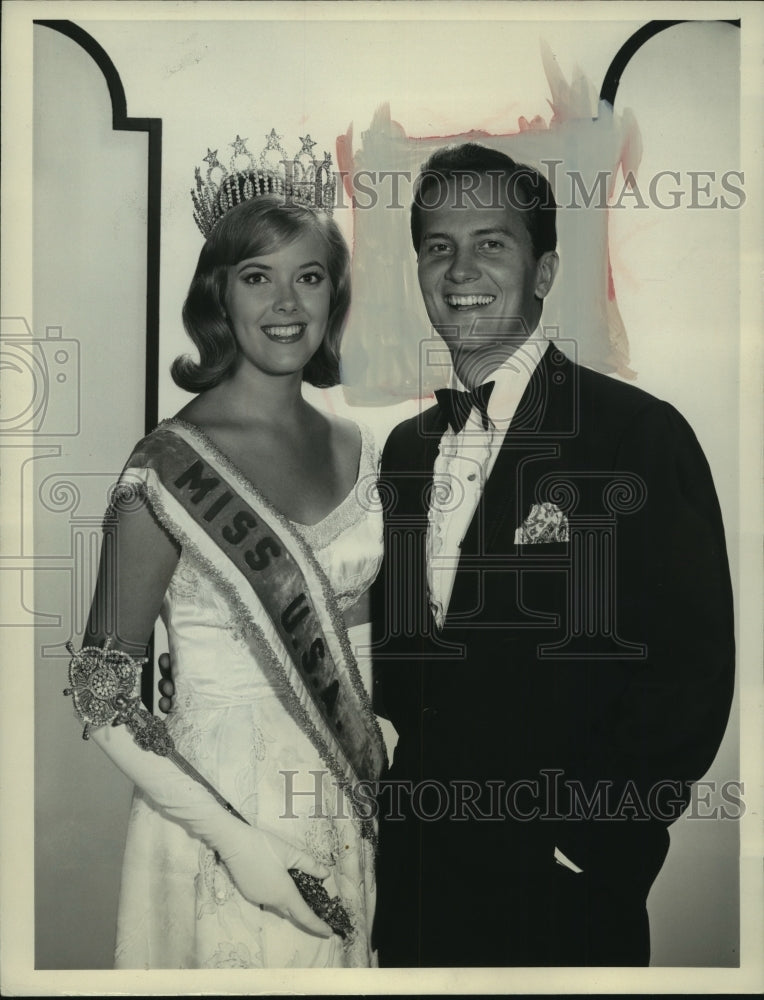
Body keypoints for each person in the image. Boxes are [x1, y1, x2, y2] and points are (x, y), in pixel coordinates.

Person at [370, 143, 735, 967]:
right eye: (438, 246)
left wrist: (591, 842)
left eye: (492, 242)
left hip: (562, 898)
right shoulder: (404, 450)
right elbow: (400, 664)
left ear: (544, 272)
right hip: (415, 888)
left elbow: (691, 671)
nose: (461, 269)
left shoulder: (636, 434)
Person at [71, 141, 388, 969]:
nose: (286, 303)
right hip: (214, 823)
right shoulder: (167, 465)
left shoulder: (363, 449)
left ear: (334, 293)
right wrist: (237, 844)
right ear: (219, 293)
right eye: (257, 277)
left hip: (343, 805)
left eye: (309, 276)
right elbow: (101, 693)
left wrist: (385, 739)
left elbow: (358, 646)